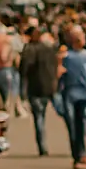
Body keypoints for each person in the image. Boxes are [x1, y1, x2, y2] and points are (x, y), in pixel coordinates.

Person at [57, 25, 86, 169]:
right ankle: (79, 156)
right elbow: (59, 73)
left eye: (82, 36)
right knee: (73, 126)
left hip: (85, 93)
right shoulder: (66, 56)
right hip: (70, 93)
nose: (81, 39)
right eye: (77, 36)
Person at [20, 25, 60, 156]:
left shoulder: (30, 49)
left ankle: (42, 147)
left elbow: (24, 69)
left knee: (39, 118)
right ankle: (76, 142)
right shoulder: (49, 48)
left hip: (35, 87)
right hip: (50, 86)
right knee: (64, 114)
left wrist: (23, 90)